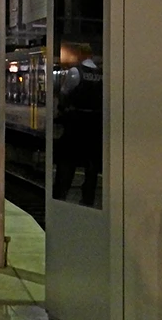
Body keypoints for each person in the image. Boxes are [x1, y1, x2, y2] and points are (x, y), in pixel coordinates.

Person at [52, 46, 102, 207]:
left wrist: (61, 111)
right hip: (95, 124)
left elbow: (65, 93)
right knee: (92, 166)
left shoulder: (75, 72)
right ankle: (88, 198)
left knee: (67, 161)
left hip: (75, 123)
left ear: (80, 54)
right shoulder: (101, 74)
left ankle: (61, 194)